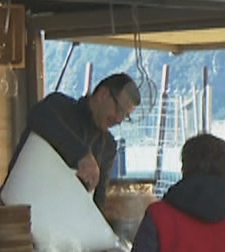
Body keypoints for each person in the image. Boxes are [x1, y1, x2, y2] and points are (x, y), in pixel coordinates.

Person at [14, 72, 141, 208]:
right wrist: (81, 155)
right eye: (119, 110)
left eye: (125, 116)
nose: (119, 119)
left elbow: (98, 200)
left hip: (63, 222)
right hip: (20, 211)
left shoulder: (108, 146)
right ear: (103, 94)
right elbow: (37, 116)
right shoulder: (59, 107)